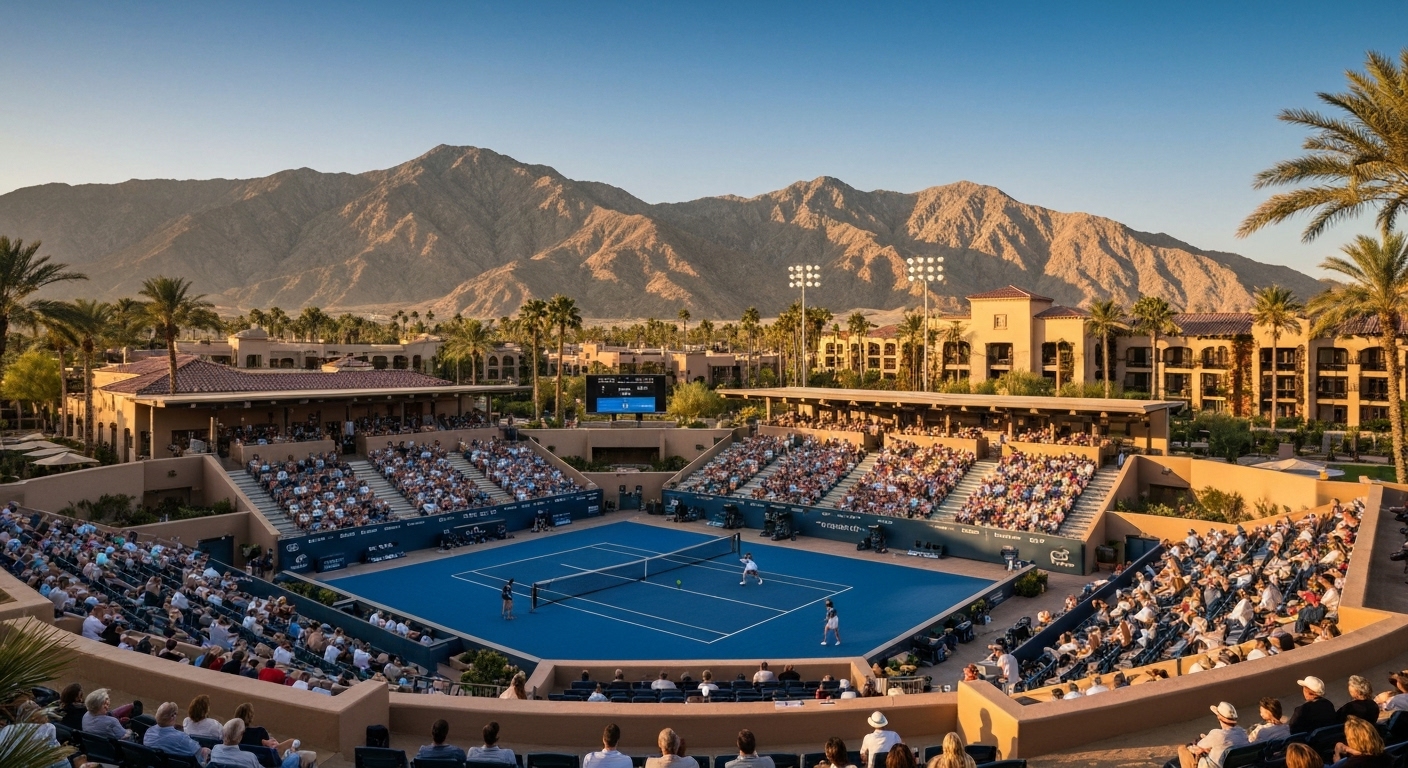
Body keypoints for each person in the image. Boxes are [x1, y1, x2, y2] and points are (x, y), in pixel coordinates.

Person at [1177, 702, 1249, 768]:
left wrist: (1192, 747)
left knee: (1182, 749)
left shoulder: (1217, 734)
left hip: (1215, 766)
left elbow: (1198, 747)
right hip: (1237, 764)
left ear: (1219, 717)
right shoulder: (1242, 732)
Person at [1, 700, 68, 768]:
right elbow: (62, 763)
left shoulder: (8, 730)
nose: (44, 711)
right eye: (39, 709)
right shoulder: (46, 730)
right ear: (33, 717)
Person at [143, 702, 208, 763]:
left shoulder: (149, 732)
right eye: (175, 714)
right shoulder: (181, 738)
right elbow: (197, 751)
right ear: (172, 717)